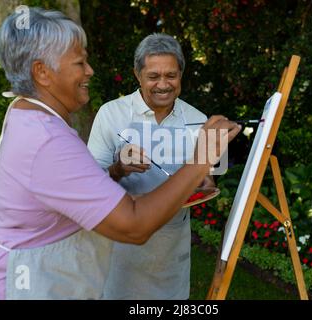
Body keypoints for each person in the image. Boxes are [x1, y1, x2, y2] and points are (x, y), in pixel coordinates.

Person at [0, 8, 240, 300]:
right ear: (42, 72)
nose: (89, 70)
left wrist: (203, 174)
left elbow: (84, 194)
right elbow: (134, 225)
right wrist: (201, 160)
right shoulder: (47, 139)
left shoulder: (29, 117)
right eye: (79, 62)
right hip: (27, 288)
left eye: (171, 75)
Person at [87, 33, 215, 300]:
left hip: (172, 248)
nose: (163, 85)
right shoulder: (111, 114)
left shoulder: (197, 120)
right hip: (119, 248)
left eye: (171, 75)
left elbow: (207, 179)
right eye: (153, 76)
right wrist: (118, 169)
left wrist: (205, 181)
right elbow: (89, 186)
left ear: (181, 74)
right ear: (137, 74)